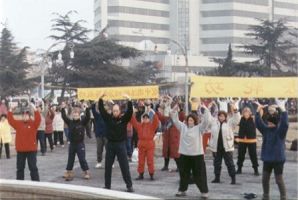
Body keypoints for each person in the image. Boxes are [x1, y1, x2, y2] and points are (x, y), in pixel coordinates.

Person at [170, 103, 210, 199]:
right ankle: (182, 190)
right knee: (184, 174)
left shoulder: (199, 128)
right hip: (184, 154)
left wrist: (205, 109)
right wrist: (174, 110)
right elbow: (175, 119)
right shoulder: (182, 127)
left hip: (197, 155)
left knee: (199, 175)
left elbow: (206, 121)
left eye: (191, 120)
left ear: (195, 121)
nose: (190, 122)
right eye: (188, 120)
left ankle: (204, 191)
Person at [98, 93, 134, 193]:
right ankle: (107, 185)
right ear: (112, 111)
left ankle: (129, 186)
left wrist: (129, 100)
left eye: (117, 111)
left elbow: (130, 112)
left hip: (121, 145)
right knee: (108, 166)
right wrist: (100, 99)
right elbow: (101, 110)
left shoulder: (123, 119)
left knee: (124, 166)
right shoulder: (108, 118)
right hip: (110, 145)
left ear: (119, 111)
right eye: (114, 111)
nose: (115, 112)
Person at [255, 99, 288, 200]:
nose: (268, 124)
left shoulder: (280, 131)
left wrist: (283, 110)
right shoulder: (266, 130)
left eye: (270, 123)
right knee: (265, 179)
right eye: (268, 122)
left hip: (278, 159)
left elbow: (285, 124)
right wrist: (257, 112)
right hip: (267, 159)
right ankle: (266, 196)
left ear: (275, 123)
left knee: (279, 180)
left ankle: (283, 197)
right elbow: (259, 123)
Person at [208, 102, 240, 185]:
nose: (221, 117)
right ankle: (217, 178)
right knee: (217, 164)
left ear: (225, 117)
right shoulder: (214, 123)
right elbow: (208, 118)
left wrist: (235, 109)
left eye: (223, 116)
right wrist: (208, 108)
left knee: (230, 164)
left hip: (227, 147)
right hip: (217, 147)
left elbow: (237, 119)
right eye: (220, 116)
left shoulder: (230, 123)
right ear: (218, 116)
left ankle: (233, 179)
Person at [7, 103, 41, 181]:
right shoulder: (18, 124)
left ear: (29, 116)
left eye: (27, 115)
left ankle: (36, 182)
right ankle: (19, 183)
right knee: (20, 168)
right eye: (24, 115)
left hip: (31, 150)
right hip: (20, 150)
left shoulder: (33, 124)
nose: (25, 116)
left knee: (33, 167)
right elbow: (10, 120)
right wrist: (10, 109)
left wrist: (35, 109)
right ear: (22, 117)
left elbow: (38, 119)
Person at [61, 101, 91, 181]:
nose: (75, 115)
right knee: (70, 158)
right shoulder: (70, 122)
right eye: (74, 114)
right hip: (72, 144)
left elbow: (88, 117)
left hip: (80, 144)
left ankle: (86, 172)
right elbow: (63, 116)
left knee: (82, 159)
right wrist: (63, 108)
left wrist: (87, 108)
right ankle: (69, 171)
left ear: (79, 115)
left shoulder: (82, 122)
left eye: (76, 114)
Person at [130, 107, 159, 181]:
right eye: (144, 118)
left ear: (149, 119)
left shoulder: (152, 126)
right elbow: (133, 121)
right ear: (142, 119)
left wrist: (153, 111)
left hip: (149, 145)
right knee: (141, 161)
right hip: (142, 145)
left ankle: (151, 174)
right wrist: (132, 112)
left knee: (150, 160)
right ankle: (141, 174)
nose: (145, 119)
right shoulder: (139, 126)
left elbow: (156, 121)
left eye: (147, 118)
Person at [157, 95, 183, 172]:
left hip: (174, 138)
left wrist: (180, 108)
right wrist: (159, 106)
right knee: (166, 152)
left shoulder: (177, 119)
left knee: (175, 153)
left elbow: (182, 116)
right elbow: (159, 116)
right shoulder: (166, 118)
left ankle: (179, 166)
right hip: (167, 137)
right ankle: (165, 166)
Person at [236, 107, 259, 175]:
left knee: (253, 155)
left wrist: (259, 109)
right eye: (244, 112)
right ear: (243, 113)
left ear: (250, 113)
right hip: (242, 140)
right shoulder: (240, 119)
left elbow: (260, 115)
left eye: (247, 112)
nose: (246, 113)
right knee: (240, 155)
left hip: (251, 141)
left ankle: (256, 170)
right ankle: (239, 168)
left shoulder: (253, 119)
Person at [91, 101, 107, 169]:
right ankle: (99, 162)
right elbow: (93, 109)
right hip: (99, 135)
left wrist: (112, 103)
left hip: (107, 135)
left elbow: (114, 111)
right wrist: (95, 103)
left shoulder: (108, 116)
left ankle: (110, 162)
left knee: (109, 149)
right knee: (99, 150)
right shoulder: (97, 115)